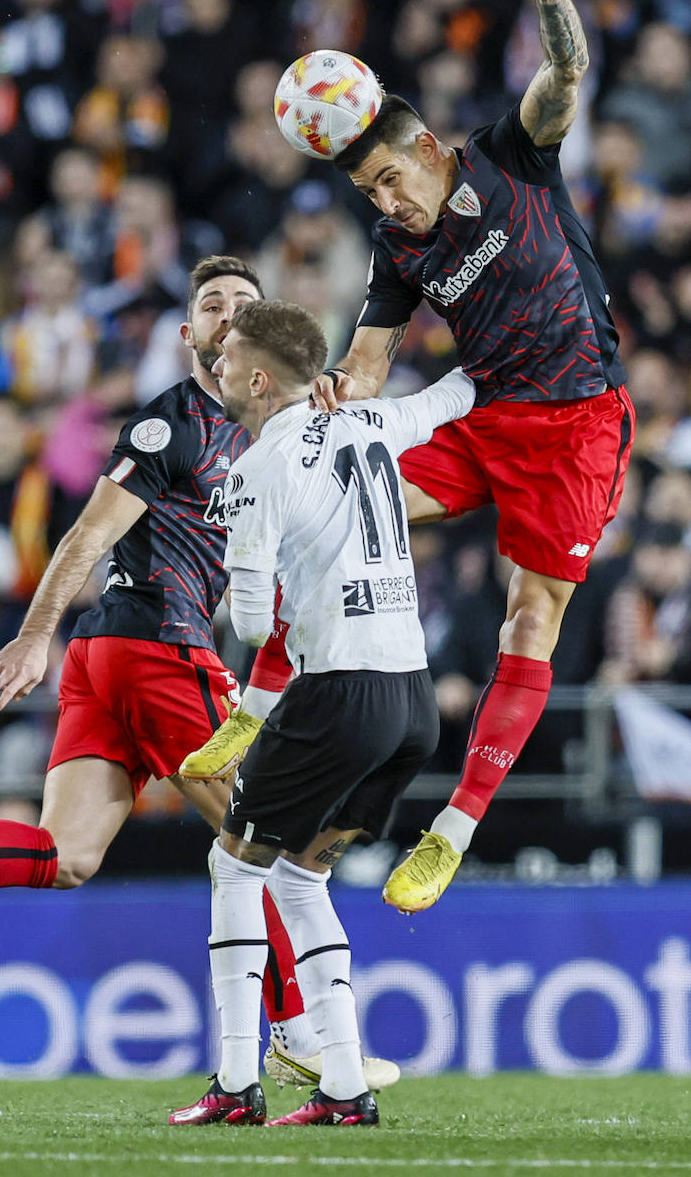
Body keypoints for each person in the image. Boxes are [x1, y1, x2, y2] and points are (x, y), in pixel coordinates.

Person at [0, 254, 395, 1096]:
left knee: (70, 853)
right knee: (260, 840)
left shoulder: (278, 431)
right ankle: (299, 1034)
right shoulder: (171, 425)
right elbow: (86, 534)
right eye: (212, 306)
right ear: (190, 336)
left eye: (243, 304)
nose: (228, 315)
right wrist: (31, 636)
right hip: (155, 645)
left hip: (116, 655)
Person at [277, 0, 636, 913]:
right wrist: (333, 388)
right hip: (487, 422)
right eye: (368, 194)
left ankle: (452, 829)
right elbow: (368, 355)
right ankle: (261, 696)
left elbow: (563, 79)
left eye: (392, 179)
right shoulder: (399, 251)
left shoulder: (509, 159)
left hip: (576, 427)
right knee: (333, 509)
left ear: (429, 152)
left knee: (531, 617)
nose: (387, 202)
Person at [169, 300, 474, 1127]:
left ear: (260, 377)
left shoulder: (256, 470)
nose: (218, 368)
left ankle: (234, 1083)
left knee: (235, 867)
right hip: (410, 699)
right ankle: (344, 1088)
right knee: (301, 879)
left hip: (337, 690)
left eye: (227, 357)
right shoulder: (373, 418)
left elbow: (246, 622)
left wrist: (245, 542)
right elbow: (460, 391)